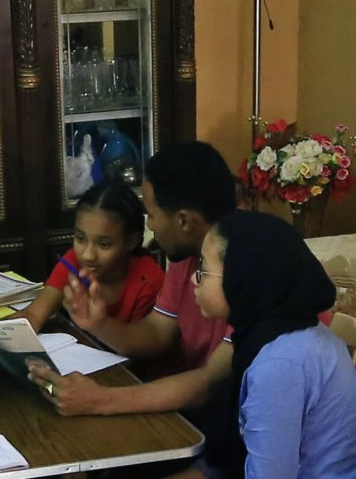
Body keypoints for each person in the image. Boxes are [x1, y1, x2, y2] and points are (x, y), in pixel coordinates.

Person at [93, 211, 356, 479]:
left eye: (204, 270)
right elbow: (229, 460)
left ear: (244, 278)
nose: (195, 281)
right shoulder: (277, 332)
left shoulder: (280, 364)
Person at [37, 141, 237, 418]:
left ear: (184, 221)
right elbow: (157, 333)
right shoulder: (189, 255)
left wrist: (100, 400)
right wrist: (99, 324)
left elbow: (211, 382)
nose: (151, 226)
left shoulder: (251, 265)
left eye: (152, 215)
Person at [10, 181, 164, 332]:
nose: (88, 255)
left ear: (131, 242)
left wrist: (100, 324)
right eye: (80, 239)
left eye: (104, 244)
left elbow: (141, 346)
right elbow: (33, 315)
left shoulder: (149, 281)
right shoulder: (73, 262)